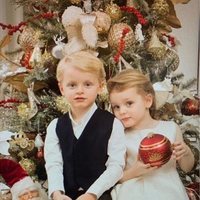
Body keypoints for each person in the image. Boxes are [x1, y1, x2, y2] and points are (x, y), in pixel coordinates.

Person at [44, 51, 126, 200]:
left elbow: (116, 166)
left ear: (100, 86)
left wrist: (92, 194)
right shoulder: (55, 126)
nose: (80, 90)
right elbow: (54, 163)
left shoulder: (112, 124)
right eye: (72, 85)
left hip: (99, 195)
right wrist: (57, 193)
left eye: (87, 84)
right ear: (62, 88)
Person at [107, 69, 195, 200]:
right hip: (133, 193)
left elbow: (186, 168)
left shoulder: (170, 128)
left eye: (129, 103)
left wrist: (186, 152)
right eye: (116, 107)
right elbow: (114, 177)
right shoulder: (119, 136)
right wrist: (134, 171)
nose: (122, 111)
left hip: (168, 192)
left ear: (148, 101)